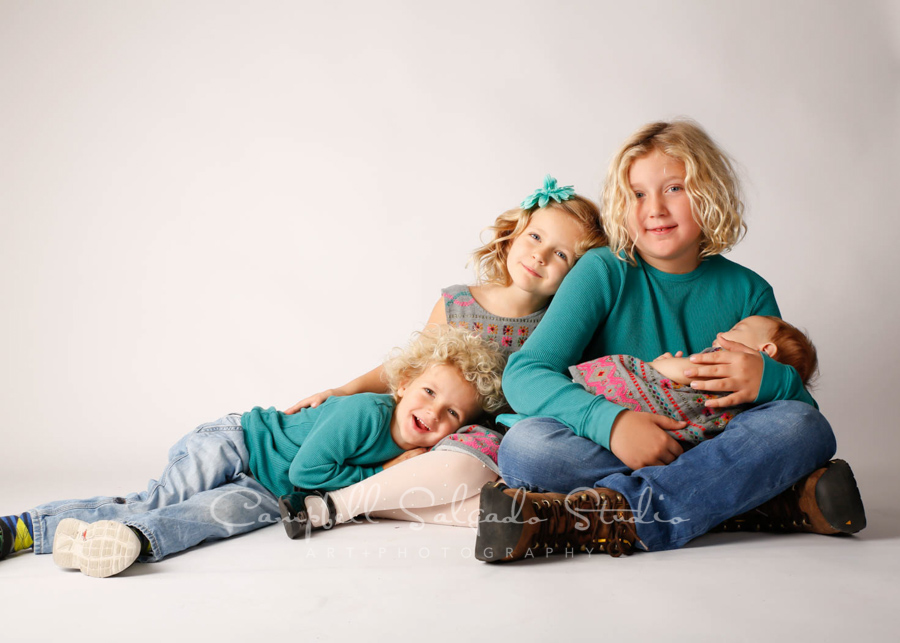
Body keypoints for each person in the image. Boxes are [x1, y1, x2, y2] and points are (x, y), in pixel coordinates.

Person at [474, 120, 866, 563]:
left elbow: (793, 417)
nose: (654, 208)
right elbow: (525, 374)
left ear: (709, 193)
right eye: (638, 194)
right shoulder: (604, 270)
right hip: (614, 445)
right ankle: (754, 504)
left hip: (709, 444)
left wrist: (774, 382)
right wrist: (612, 424)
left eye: (674, 188)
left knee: (804, 429)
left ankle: (613, 515)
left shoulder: (749, 291)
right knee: (527, 447)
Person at [0, 326, 505, 577]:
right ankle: (21, 529)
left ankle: (111, 539)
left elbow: (309, 485)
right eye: (429, 393)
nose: (435, 414)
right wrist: (393, 467)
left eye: (454, 416)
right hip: (240, 441)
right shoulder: (365, 413)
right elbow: (310, 471)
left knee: (202, 520)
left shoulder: (420, 451)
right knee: (159, 496)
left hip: (267, 490)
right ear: (403, 384)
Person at [280, 176, 607, 534]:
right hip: (435, 435)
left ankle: (344, 504)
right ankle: (344, 503)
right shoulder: (458, 304)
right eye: (535, 237)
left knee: (478, 485)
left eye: (561, 254)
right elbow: (411, 365)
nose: (540, 255)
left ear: (577, 275)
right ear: (514, 234)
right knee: (449, 477)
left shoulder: (560, 326)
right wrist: (345, 390)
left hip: (490, 444)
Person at [570, 315, 818, 444]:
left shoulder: (725, 361)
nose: (722, 334)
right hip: (648, 440)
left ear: (765, 352)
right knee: (538, 444)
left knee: (804, 426)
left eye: (736, 330)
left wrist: (659, 366)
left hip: (641, 423)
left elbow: (687, 370)